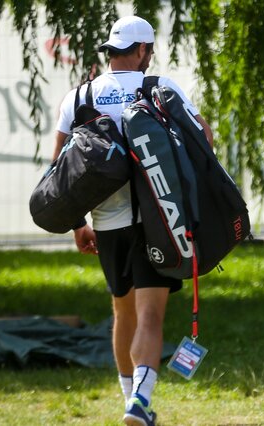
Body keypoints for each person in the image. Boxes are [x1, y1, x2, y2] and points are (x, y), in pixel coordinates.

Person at [53, 16, 212, 426]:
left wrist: (77, 226)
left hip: (106, 224)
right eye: (150, 50)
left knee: (123, 313)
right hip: (157, 219)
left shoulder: (78, 96)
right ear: (142, 50)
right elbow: (204, 138)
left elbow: (60, 170)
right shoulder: (159, 88)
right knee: (151, 315)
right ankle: (139, 402)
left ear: (112, 51)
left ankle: (131, 400)